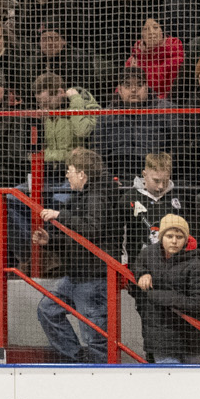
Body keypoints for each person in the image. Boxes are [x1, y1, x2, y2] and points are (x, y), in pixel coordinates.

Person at [37, 147, 122, 360]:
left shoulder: (98, 194)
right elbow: (78, 235)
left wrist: (59, 215)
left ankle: (100, 375)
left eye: (70, 170)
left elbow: (92, 228)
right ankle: (77, 361)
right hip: (77, 274)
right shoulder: (84, 196)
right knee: (48, 310)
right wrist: (51, 242)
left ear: (82, 173)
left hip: (93, 277)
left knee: (94, 336)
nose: (67, 174)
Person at [134, 214, 200, 360]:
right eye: (169, 236)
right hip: (159, 338)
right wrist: (142, 274)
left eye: (179, 236)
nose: (174, 241)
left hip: (189, 339)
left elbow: (198, 303)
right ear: (161, 237)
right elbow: (136, 272)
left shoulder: (195, 265)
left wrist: (158, 296)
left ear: (186, 239)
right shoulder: (146, 255)